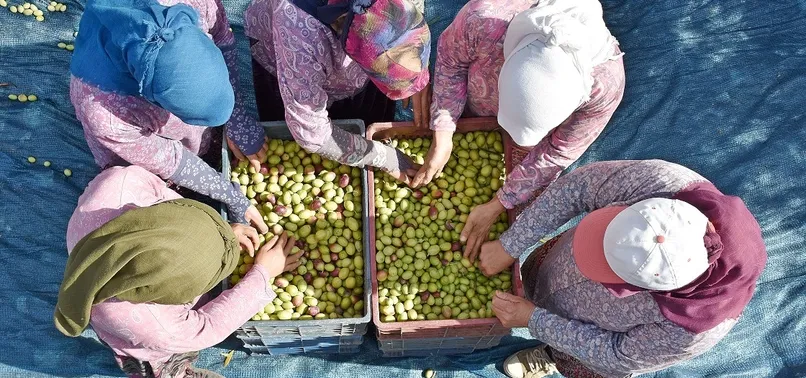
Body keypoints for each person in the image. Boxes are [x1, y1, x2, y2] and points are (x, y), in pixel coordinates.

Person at [477, 160, 767, 378]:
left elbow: (616, 354)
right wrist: (510, 245)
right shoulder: (666, 183)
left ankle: (551, 355)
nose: (585, 264)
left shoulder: (695, 329)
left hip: (593, 336)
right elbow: (577, 188)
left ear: (653, 290)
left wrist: (534, 320)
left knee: (574, 355)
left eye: (609, 274)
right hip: (553, 267)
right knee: (538, 277)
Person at [417, 0, 626, 254]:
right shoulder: (483, 20)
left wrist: (498, 204)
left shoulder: (605, 87)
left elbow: (556, 153)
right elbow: (451, 61)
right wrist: (443, 133)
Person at [56, 166, 301, 378]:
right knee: (148, 351)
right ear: (177, 294)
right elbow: (210, 325)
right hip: (134, 333)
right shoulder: (160, 327)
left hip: (89, 272)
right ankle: (163, 368)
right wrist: (262, 274)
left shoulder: (119, 186)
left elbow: (166, 199)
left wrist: (221, 232)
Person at [69, 0, 268, 233]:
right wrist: (229, 194)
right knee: (159, 167)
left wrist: (236, 116)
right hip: (127, 118)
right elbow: (171, 160)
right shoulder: (107, 112)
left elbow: (222, 36)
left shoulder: (194, 4)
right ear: (160, 102)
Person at [244, 0, 431, 185]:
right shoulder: (298, 29)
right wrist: (384, 157)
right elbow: (311, 131)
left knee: (363, 102)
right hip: (291, 44)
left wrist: (415, 64)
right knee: (293, 113)